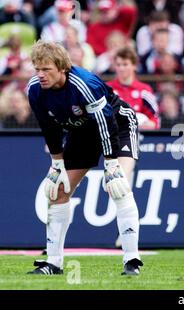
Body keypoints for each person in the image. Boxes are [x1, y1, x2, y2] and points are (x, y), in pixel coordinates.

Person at [26, 41, 143, 276]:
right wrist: (56, 164)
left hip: (116, 125)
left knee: (118, 186)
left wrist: (111, 165)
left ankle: (131, 261)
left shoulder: (84, 83)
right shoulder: (35, 90)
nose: (40, 75)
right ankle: (54, 263)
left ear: (62, 68)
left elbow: (105, 124)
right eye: (37, 69)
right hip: (82, 132)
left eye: (46, 69)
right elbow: (49, 128)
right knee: (59, 190)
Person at [107, 47, 159, 130]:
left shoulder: (144, 90)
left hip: (139, 137)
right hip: (114, 137)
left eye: (125, 64)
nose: (121, 68)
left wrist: (148, 125)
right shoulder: (108, 89)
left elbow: (154, 119)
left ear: (134, 66)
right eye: (118, 65)